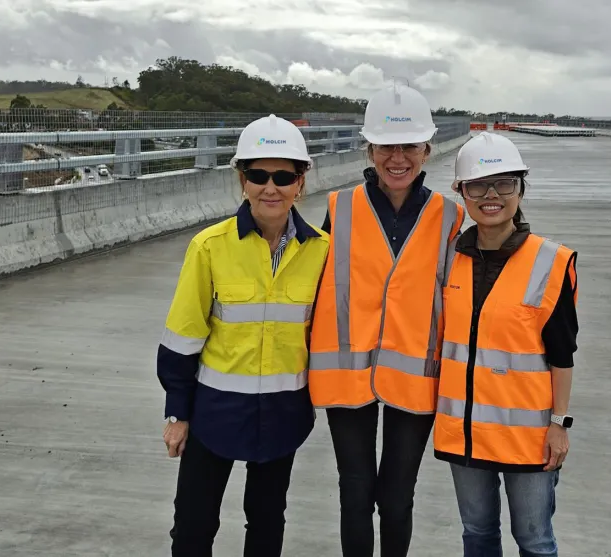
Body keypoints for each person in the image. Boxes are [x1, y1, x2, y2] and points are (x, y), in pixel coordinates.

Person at [156, 114, 330, 557]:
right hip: (214, 413)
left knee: (267, 522)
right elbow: (182, 337)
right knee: (193, 525)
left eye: (283, 177)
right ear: (242, 181)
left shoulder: (321, 251)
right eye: (258, 176)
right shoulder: (210, 247)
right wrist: (178, 412)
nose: (271, 188)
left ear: (300, 182)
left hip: (284, 414)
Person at [306, 82, 465, 557]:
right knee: (355, 493)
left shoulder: (450, 217)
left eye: (409, 146)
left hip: (415, 378)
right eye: (386, 147)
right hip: (347, 376)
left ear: (427, 150)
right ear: (369, 149)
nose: (398, 158)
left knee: (396, 498)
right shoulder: (340, 209)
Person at [433, 132, 579, 557]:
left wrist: (559, 425)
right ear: (462, 192)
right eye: (478, 186)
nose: (491, 196)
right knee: (477, 533)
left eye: (504, 184)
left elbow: (562, 355)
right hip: (466, 433)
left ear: (520, 189)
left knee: (535, 539)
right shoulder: (448, 258)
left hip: (528, 436)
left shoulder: (550, 262)